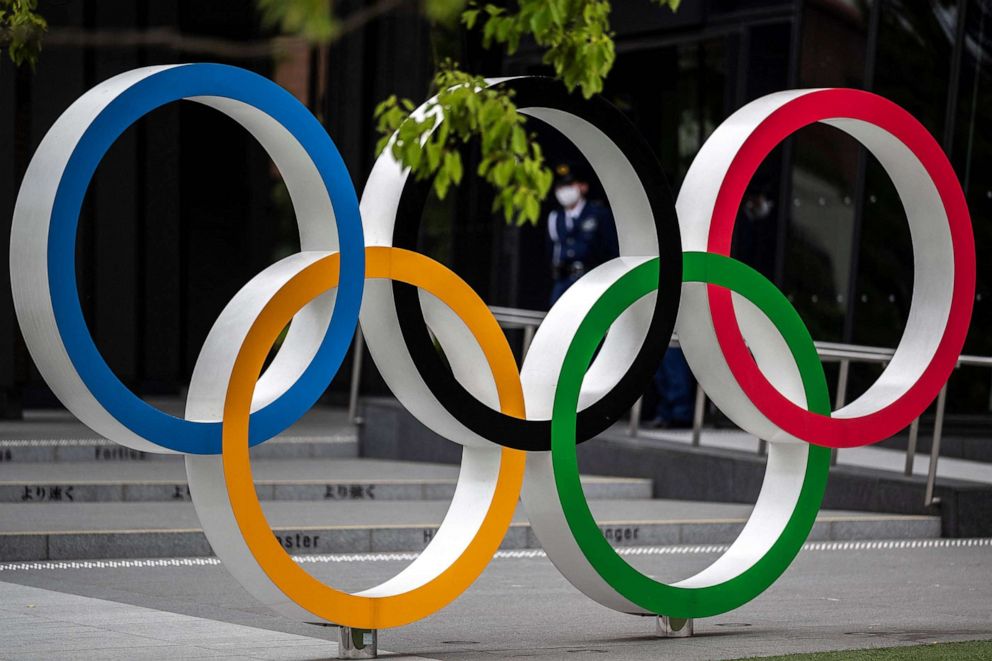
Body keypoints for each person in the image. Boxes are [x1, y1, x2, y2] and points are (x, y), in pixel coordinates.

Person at [546, 163, 619, 304]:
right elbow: (551, 251)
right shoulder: (555, 218)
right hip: (562, 284)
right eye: (560, 187)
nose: (564, 191)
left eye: (570, 185)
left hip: (593, 282)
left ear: (583, 187)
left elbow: (612, 251)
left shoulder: (598, 214)